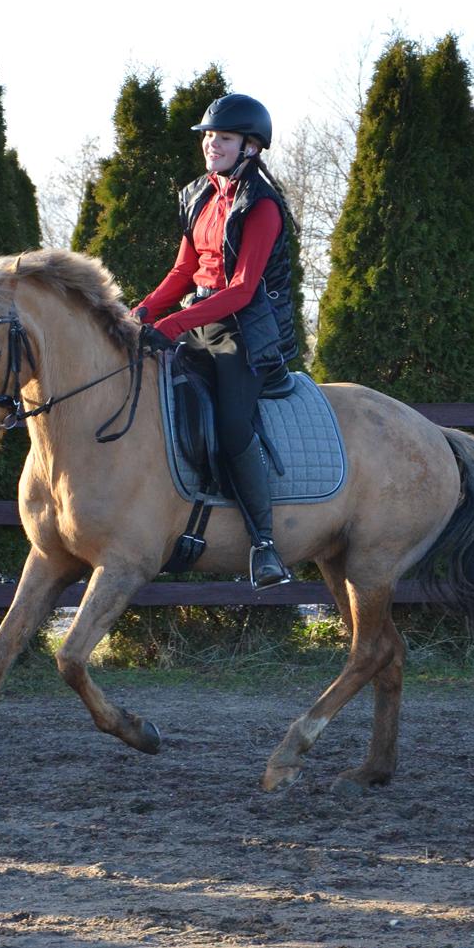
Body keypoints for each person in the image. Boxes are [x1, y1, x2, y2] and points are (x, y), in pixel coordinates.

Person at [134, 93, 298, 589]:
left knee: (230, 424)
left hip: (245, 332)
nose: (211, 145)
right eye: (208, 137)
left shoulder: (262, 205)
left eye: (222, 138)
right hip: (199, 318)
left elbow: (243, 289)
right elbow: (185, 270)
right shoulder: (198, 194)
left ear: (251, 148)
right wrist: (140, 312)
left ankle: (265, 544)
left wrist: (172, 326)